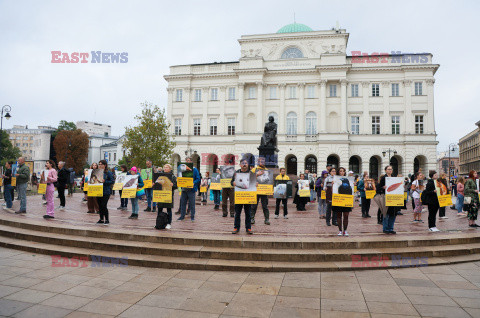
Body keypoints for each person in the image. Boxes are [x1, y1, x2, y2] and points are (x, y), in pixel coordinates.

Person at [231, 159, 253, 234]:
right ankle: (236, 227)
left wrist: (256, 184)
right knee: (237, 213)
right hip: (239, 196)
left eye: (246, 163)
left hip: (248, 196)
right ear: (240, 165)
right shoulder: (236, 173)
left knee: (248, 213)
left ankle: (248, 228)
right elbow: (231, 182)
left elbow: (253, 183)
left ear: (248, 165)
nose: (244, 164)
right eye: (243, 163)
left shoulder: (251, 173)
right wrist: (233, 183)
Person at [155, 164, 177, 230]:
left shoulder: (172, 176)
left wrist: (173, 185)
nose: (165, 168)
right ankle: (158, 223)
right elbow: (156, 184)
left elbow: (176, 186)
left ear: (170, 169)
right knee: (159, 209)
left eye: (167, 167)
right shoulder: (160, 176)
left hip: (168, 195)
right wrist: (154, 184)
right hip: (161, 194)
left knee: (169, 210)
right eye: (164, 167)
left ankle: (169, 223)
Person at [178, 157, 201, 222]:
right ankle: (182, 216)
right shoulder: (182, 170)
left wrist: (193, 183)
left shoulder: (194, 169)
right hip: (184, 189)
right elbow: (180, 177)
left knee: (192, 204)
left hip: (191, 189)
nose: (187, 162)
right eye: (186, 160)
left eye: (188, 161)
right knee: (183, 203)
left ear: (191, 161)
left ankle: (192, 217)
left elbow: (198, 178)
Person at [378, 166, 397, 234]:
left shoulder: (394, 178)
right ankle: (385, 228)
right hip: (385, 197)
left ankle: (391, 228)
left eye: (391, 169)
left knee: (393, 214)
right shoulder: (383, 178)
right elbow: (378, 188)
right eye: (388, 169)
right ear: (385, 170)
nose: (390, 170)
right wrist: (383, 187)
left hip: (394, 198)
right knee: (386, 213)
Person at [251, 157, 270, 225]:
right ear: (258, 162)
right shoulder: (254, 169)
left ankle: (266, 219)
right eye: (260, 161)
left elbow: (269, 181)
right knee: (254, 206)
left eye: (263, 161)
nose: (261, 162)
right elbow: (249, 178)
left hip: (264, 191)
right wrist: (256, 175)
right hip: (256, 190)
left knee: (265, 206)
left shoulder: (267, 170)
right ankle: (252, 218)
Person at [334, 167, 352, 236]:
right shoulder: (336, 180)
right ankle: (340, 230)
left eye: (343, 171)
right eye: (340, 171)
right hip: (339, 200)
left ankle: (345, 230)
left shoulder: (349, 181)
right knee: (339, 215)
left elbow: (351, 192)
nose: (342, 172)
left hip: (346, 201)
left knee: (346, 215)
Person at [96, 160, 114, 225]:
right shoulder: (97, 172)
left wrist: (105, 181)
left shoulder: (108, 172)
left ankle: (107, 219)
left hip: (106, 191)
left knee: (104, 205)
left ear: (105, 165)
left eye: (101, 164)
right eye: (99, 164)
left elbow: (112, 181)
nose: (100, 165)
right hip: (98, 191)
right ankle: (101, 219)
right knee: (100, 206)